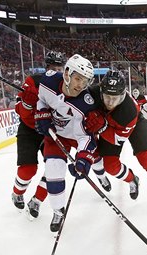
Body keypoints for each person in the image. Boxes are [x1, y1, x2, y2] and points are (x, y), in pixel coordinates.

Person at [85, 70, 147, 221]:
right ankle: (132, 179)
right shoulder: (92, 93)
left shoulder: (129, 111)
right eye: (107, 97)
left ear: (122, 96)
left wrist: (102, 128)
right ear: (101, 92)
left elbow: (118, 140)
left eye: (114, 98)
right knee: (110, 166)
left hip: (132, 125)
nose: (110, 102)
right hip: (109, 126)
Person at [34, 54, 109, 232]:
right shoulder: (48, 82)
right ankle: (58, 210)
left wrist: (83, 157)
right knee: (53, 168)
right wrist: (42, 112)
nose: (80, 86)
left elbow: (86, 137)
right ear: (67, 73)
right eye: (77, 79)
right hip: (56, 135)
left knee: (95, 158)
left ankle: (102, 176)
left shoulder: (85, 103)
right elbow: (42, 100)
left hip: (76, 135)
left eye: (85, 82)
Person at [11, 51, 66, 220]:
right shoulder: (32, 81)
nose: (56, 71)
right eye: (53, 67)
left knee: (53, 169)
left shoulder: (64, 84)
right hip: (29, 129)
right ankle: (17, 193)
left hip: (49, 130)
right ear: (46, 67)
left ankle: (37, 201)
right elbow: (20, 111)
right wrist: (27, 103)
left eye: (59, 68)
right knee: (28, 169)